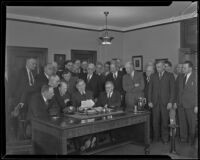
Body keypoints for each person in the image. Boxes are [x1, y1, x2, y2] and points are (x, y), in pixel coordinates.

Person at [148, 60, 175, 144]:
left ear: (164, 67)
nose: (157, 68)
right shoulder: (153, 76)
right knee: (155, 122)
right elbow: (150, 90)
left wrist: (170, 102)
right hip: (155, 103)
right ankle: (156, 138)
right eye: (156, 67)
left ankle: (165, 138)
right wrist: (149, 101)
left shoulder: (170, 76)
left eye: (159, 67)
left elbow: (172, 90)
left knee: (164, 121)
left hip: (165, 103)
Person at [11, 58, 37, 140]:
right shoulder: (20, 72)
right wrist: (18, 101)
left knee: (28, 119)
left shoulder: (33, 72)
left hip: (30, 100)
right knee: (20, 120)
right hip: (20, 100)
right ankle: (20, 137)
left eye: (35, 64)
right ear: (27, 63)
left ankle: (27, 136)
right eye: (33, 64)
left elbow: (32, 86)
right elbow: (18, 87)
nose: (35, 66)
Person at [174, 61, 197, 145]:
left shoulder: (195, 76)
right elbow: (176, 91)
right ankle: (183, 138)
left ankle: (192, 141)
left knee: (192, 124)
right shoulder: (180, 77)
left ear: (190, 68)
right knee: (182, 123)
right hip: (180, 104)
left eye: (184, 68)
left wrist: (197, 105)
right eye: (182, 67)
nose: (182, 69)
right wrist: (176, 102)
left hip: (191, 105)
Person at [143, 64, 155, 141]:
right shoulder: (143, 79)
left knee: (152, 120)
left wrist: (151, 101)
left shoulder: (155, 79)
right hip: (144, 103)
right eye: (147, 70)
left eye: (150, 71)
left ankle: (152, 136)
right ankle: (146, 136)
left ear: (153, 71)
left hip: (153, 103)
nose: (148, 72)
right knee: (145, 121)